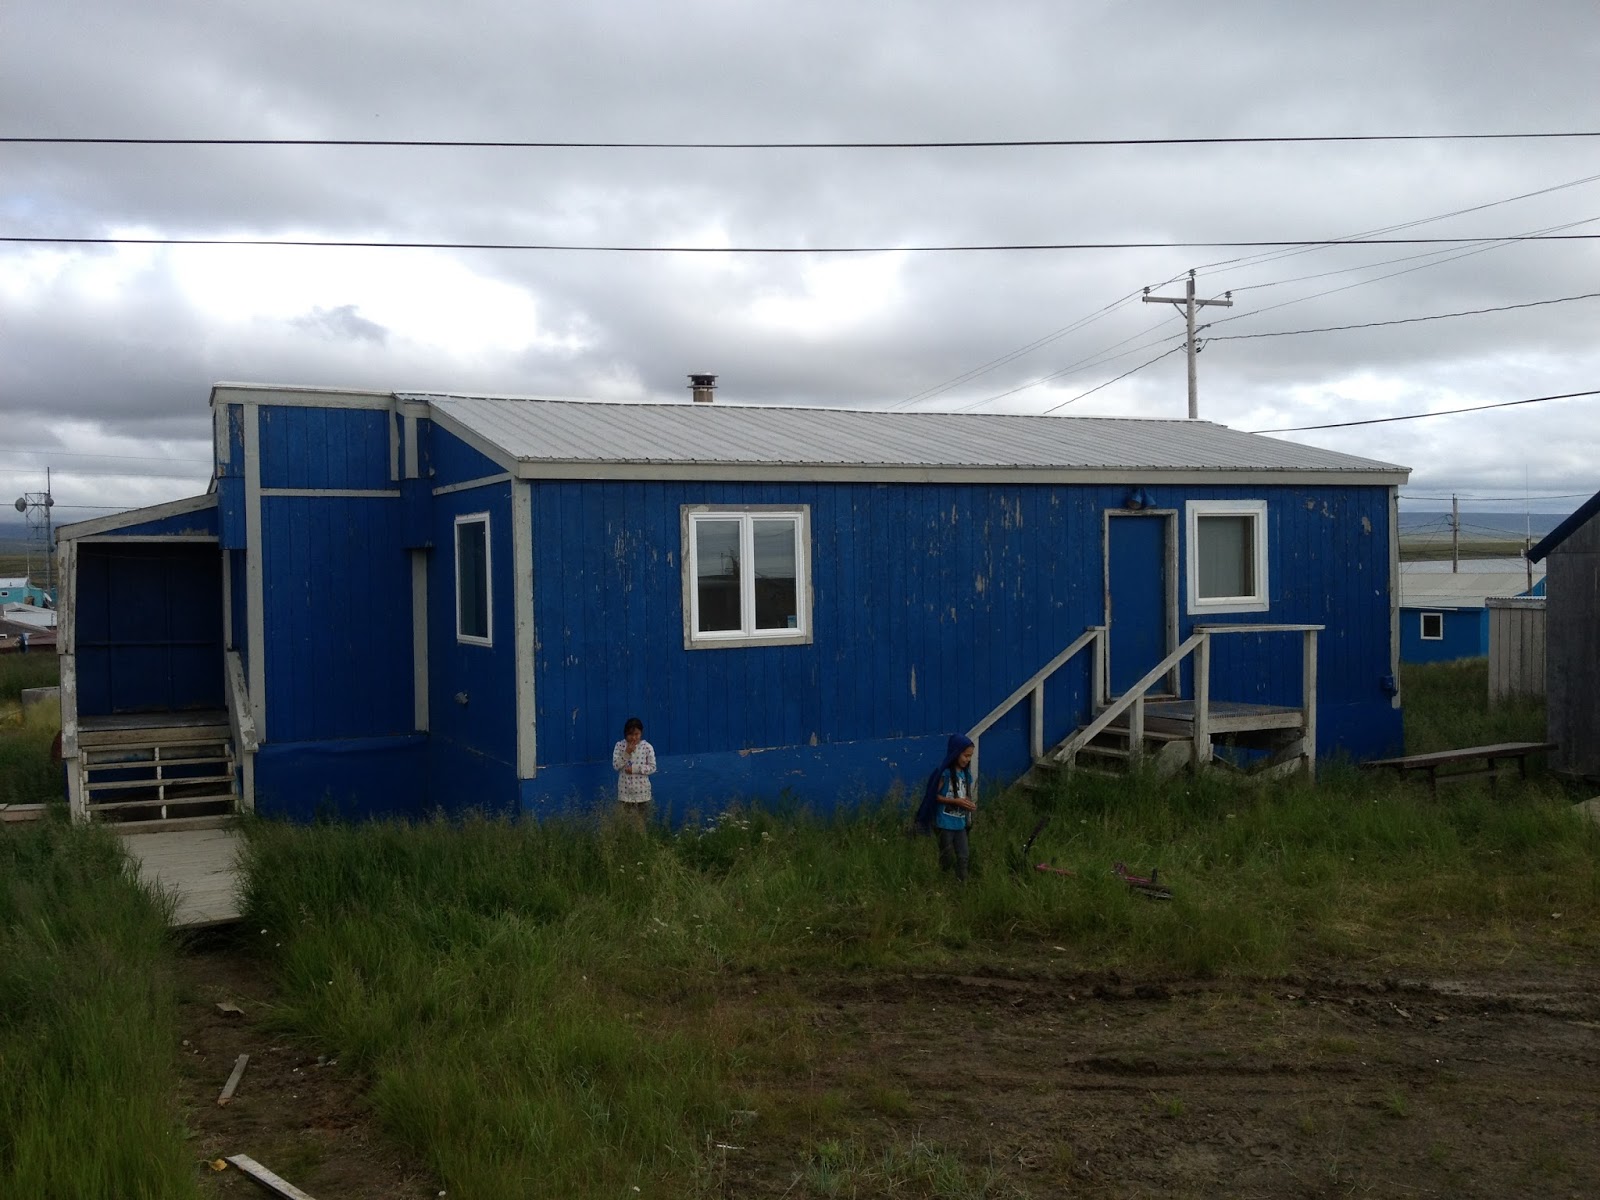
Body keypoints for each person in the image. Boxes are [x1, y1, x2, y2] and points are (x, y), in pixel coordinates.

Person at [915, 733, 977, 881]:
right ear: (955, 753)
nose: (968, 759)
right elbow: (933, 796)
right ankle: (943, 881)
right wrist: (955, 802)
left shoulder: (965, 774)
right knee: (946, 855)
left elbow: (964, 794)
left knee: (963, 856)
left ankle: (962, 884)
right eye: (965, 755)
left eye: (970, 756)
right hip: (944, 823)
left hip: (960, 823)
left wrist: (968, 803)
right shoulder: (945, 774)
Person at [611, 716, 656, 829]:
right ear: (625, 734)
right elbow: (616, 766)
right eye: (630, 734)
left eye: (637, 734)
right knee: (624, 823)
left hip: (642, 792)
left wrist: (635, 769)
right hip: (625, 791)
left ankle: (641, 840)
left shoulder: (647, 747)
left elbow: (652, 767)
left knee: (640, 823)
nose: (634, 737)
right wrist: (626, 753)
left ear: (641, 733)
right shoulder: (620, 746)